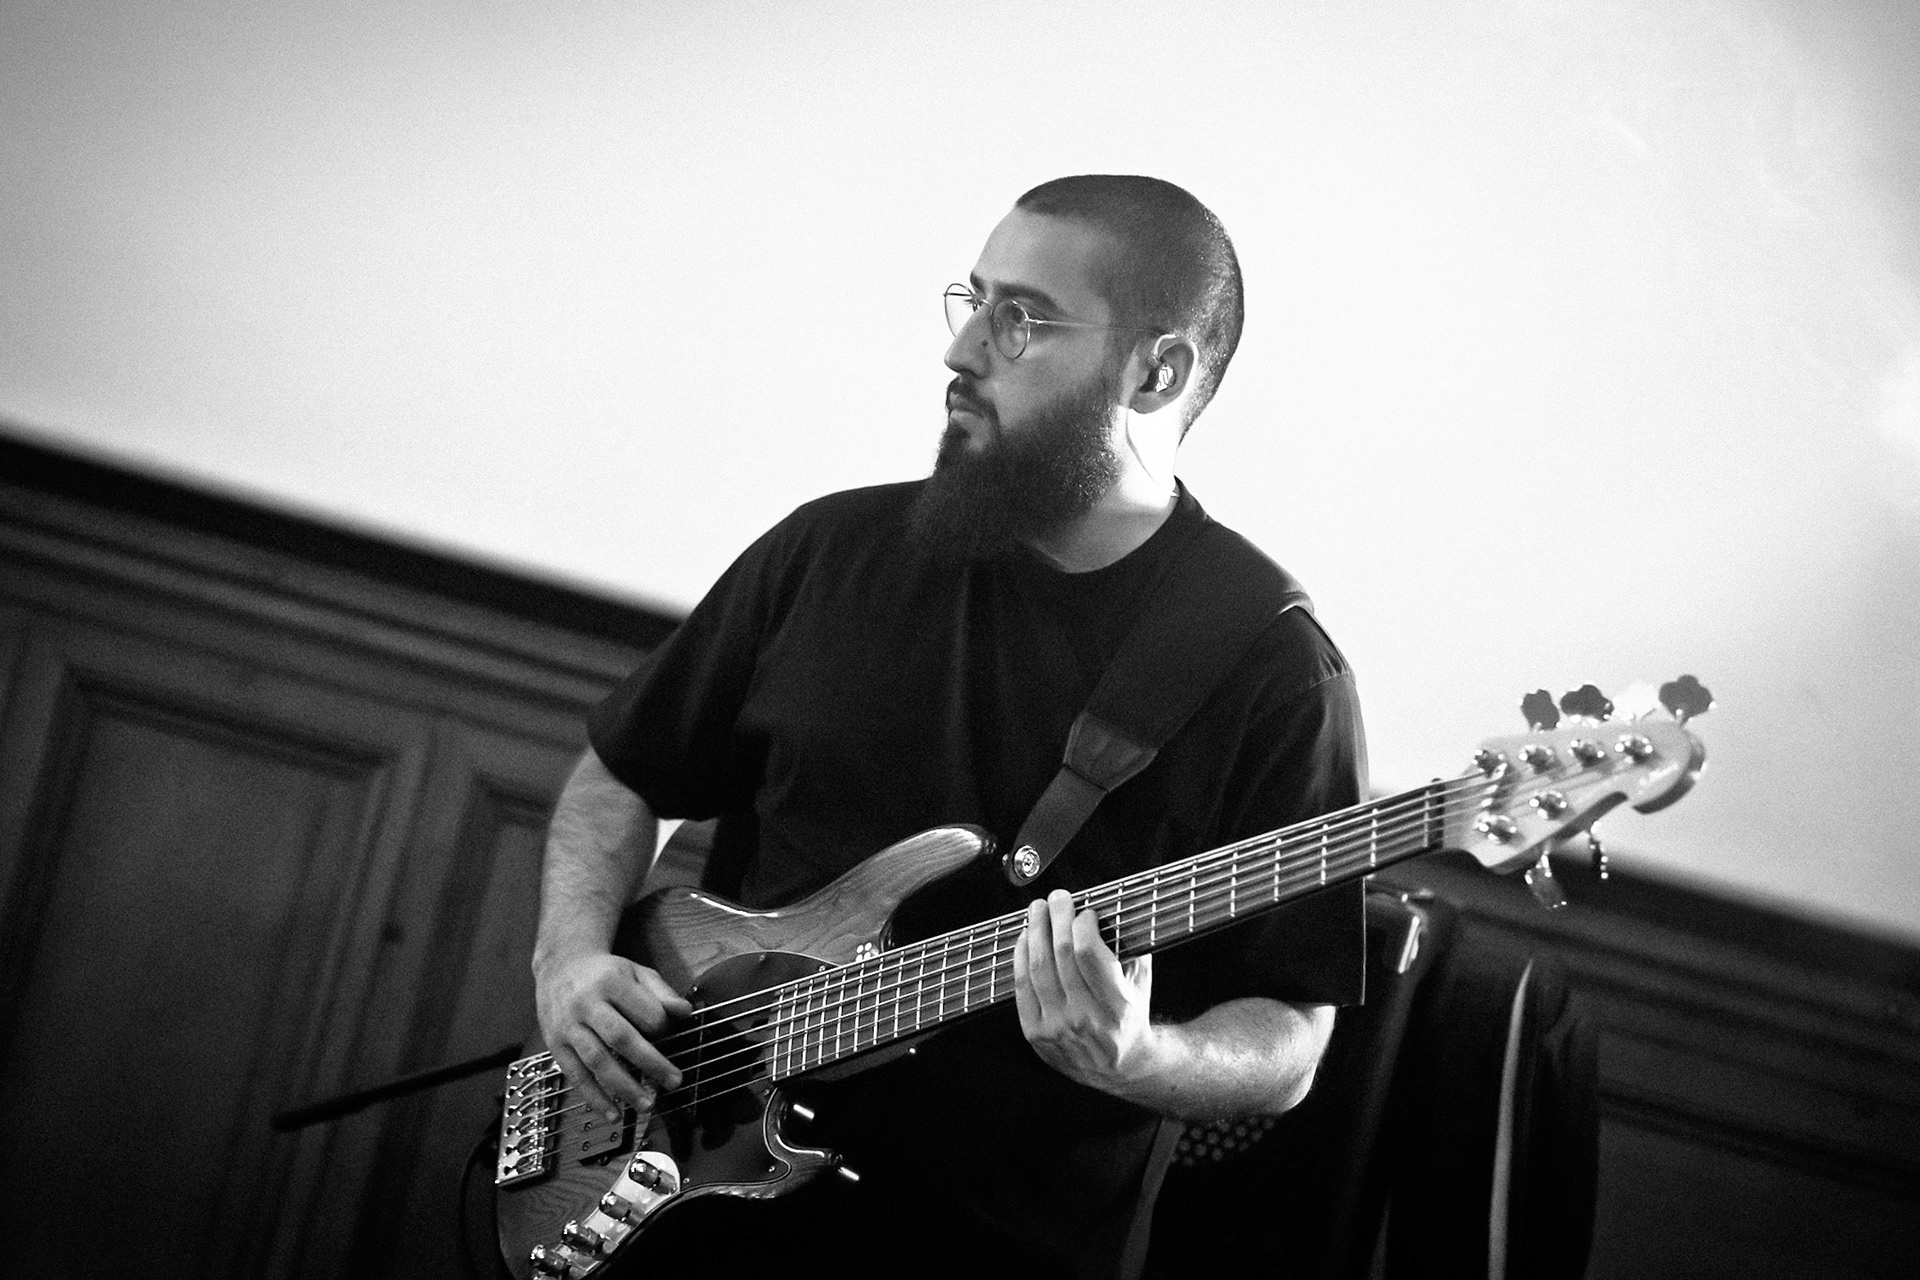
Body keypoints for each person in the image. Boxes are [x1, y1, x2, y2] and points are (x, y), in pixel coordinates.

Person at [530, 175, 1368, 1279]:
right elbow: (622, 771)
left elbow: (1290, 1033)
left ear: (1156, 369)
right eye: (972, 299)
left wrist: (1141, 1055)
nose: (964, 347)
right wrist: (570, 960)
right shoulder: (832, 551)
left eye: (1022, 317)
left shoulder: (1272, 670)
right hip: (686, 1198)